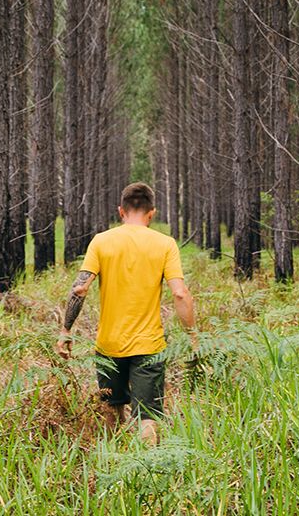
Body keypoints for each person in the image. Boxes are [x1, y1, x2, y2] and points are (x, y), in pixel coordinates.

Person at [55, 182, 197, 445]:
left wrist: (65, 331)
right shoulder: (165, 244)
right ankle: (147, 476)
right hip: (149, 346)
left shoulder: (101, 241)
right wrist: (192, 336)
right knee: (147, 416)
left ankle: (111, 465)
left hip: (108, 343)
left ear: (121, 211)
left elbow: (79, 290)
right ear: (152, 213)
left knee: (111, 409)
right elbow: (180, 293)